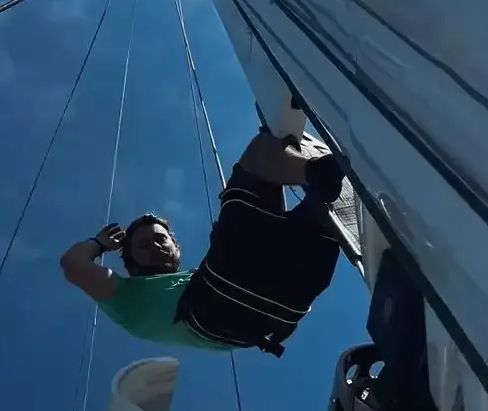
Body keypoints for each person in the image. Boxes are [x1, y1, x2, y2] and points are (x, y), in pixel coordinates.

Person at [59, 130, 346, 356]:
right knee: (258, 153)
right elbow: (73, 265)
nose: (155, 245)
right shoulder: (124, 298)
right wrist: (98, 243)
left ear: (176, 247)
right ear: (130, 263)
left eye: (160, 239)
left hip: (278, 311)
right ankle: (320, 173)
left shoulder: (195, 278)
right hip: (216, 307)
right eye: (144, 246)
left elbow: (262, 241)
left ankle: (322, 188)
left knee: (310, 217)